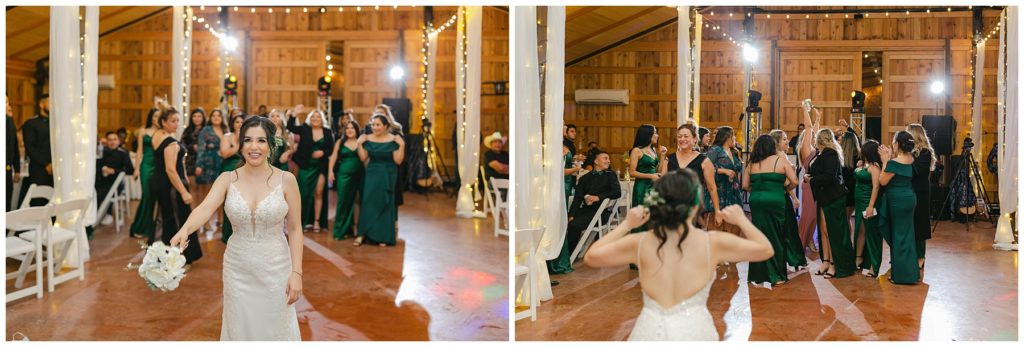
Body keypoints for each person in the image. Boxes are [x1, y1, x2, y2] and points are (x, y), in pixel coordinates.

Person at [584, 169, 773, 341]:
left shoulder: (641, 242)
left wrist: (627, 224)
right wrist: (741, 220)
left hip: (650, 332)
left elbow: (592, 256)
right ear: (695, 205)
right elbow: (765, 249)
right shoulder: (712, 242)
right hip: (696, 332)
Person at [170, 116, 303, 340]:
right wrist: (185, 229)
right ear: (240, 145)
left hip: (276, 267)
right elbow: (204, 209)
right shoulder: (227, 179)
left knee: (275, 326)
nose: (254, 147)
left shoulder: (287, 180)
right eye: (248, 140)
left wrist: (296, 273)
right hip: (237, 268)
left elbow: (296, 228)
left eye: (261, 141)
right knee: (239, 326)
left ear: (271, 144)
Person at [743, 135, 799, 286]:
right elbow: (794, 181)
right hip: (775, 199)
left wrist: (758, 190)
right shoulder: (779, 160)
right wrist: (783, 189)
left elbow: (745, 186)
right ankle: (777, 276)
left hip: (756, 201)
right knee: (776, 236)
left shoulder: (751, 163)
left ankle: (757, 275)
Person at [150, 106, 202, 263]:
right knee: (181, 221)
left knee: (167, 219)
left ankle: (164, 255)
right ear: (163, 122)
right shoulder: (171, 143)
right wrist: (184, 192)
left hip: (160, 183)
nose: (176, 124)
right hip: (172, 186)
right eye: (173, 121)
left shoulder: (156, 136)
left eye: (178, 120)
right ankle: (183, 258)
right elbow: (171, 170)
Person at [805, 127, 855, 279]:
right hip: (823, 197)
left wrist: (811, 180)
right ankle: (826, 261)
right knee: (824, 231)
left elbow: (830, 177)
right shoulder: (821, 154)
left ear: (821, 140)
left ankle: (835, 264)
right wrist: (809, 176)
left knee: (833, 231)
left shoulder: (831, 154)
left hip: (833, 197)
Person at [354, 113, 404, 247]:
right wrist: (359, 144)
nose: (375, 127)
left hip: (388, 174)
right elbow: (363, 158)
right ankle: (362, 234)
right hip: (372, 174)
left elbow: (398, 161)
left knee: (386, 203)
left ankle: (383, 236)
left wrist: (402, 145)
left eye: (378, 125)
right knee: (368, 201)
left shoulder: (394, 139)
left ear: (386, 126)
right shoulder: (367, 139)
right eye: (373, 125)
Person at [564, 151, 621, 264]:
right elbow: (577, 199)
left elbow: (617, 193)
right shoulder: (584, 178)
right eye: (605, 158)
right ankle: (567, 253)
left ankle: (570, 256)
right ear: (596, 161)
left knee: (574, 225)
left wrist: (599, 197)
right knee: (565, 223)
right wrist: (571, 215)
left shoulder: (611, 175)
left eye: (608, 158)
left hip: (601, 213)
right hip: (587, 211)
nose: (608, 161)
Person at [878, 131, 920, 284]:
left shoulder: (894, 163)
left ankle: (902, 276)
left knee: (898, 235)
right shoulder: (910, 158)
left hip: (898, 201)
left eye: (893, 142)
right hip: (909, 198)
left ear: (898, 144)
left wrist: (885, 161)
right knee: (907, 235)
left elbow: (882, 182)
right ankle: (908, 273)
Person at [287, 107, 334, 232]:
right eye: (313, 116)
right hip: (305, 166)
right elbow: (290, 127)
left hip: (320, 167)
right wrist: (293, 115)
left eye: (318, 116)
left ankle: (317, 222)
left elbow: (331, 148)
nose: (315, 119)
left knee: (318, 193)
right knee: (303, 194)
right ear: (310, 119)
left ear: (322, 119)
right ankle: (302, 222)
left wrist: (323, 152)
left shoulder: (327, 131)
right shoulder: (304, 129)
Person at [667, 124, 720, 227]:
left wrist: (717, 211)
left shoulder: (704, 161)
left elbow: (712, 188)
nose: (682, 139)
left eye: (686, 136)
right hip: (671, 208)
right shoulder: (670, 159)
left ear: (695, 139)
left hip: (693, 208)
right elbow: (662, 185)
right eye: (679, 136)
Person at [768, 129, 807, 271]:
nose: (788, 141)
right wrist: (794, 197)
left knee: (788, 229)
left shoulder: (781, 155)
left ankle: (791, 259)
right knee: (789, 229)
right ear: (777, 142)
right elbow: (785, 182)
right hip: (782, 197)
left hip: (781, 195)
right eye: (784, 139)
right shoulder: (779, 156)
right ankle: (794, 259)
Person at [906, 123, 935, 280]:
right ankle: (909, 255)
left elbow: (914, 171)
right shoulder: (909, 152)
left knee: (920, 224)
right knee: (909, 224)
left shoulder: (925, 153)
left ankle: (920, 257)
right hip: (908, 191)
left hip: (920, 192)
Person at [327, 120, 363, 240]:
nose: (350, 130)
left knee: (357, 201)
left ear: (356, 130)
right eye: (347, 128)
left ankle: (354, 228)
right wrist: (330, 171)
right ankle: (340, 230)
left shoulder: (360, 142)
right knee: (343, 201)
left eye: (352, 128)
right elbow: (333, 157)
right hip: (343, 176)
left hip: (359, 175)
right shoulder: (340, 142)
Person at [129, 107, 161, 239]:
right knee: (147, 196)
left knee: (156, 198)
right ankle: (139, 227)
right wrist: (136, 169)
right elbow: (139, 151)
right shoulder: (143, 131)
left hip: (159, 166)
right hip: (146, 166)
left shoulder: (163, 131)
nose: (156, 119)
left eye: (159, 116)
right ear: (150, 117)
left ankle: (152, 226)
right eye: (154, 116)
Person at [628, 124, 668, 229]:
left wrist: (662, 156)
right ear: (648, 135)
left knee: (653, 215)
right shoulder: (636, 150)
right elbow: (632, 172)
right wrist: (651, 176)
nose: (657, 135)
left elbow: (657, 171)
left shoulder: (653, 150)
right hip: (642, 187)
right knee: (641, 215)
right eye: (655, 133)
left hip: (653, 186)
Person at [854, 140, 884, 277]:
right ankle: (859, 257)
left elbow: (876, 187)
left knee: (872, 234)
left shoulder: (875, 167)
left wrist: (871, 206)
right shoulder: (864, 165)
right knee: (861, 230)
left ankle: (873, 265)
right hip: (860, 203)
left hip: (869, 203)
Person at [196, 109, 227, 234]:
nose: (216, 117)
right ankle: (206, 221)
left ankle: (221, 219)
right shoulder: (206, 130)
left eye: (218, 115)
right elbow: (201, 147)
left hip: (222, 164)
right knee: (207, 195)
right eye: (213, 115)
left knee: (222, 194)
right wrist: (199, 164)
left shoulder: (226, 130)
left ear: (222, 117)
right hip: (208, 164)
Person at [796, 104, 822, 251]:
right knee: (809, 215)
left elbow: (815, 130)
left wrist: (818, 117)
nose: (813, 136)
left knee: (815, 216)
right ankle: (801, 241)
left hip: (815, 184)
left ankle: (810, 240)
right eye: (811, 135)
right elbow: (809, 127)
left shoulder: (814, 147)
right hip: (809, 185)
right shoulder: (806, 148)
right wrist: (805, 110)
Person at [95, 131, 135, 226]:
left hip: (116, 184)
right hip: (102, 181)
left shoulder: (123, 153)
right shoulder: (102, 151)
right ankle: (94, 214)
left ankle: (105, 214)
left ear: (118, 141)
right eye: (109, 140)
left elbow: (130, 170)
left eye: (114, 139)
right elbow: (97, 165)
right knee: (93, 191)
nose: (112, 142)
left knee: (101, 193)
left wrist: (114, 171)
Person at [706, 126, 742, 230]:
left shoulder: (734, 152)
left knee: (734, 228)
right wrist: (723, 171)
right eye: (733, 135)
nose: (734, 138)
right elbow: (707, 169)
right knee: (717, 228)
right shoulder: (715, 150)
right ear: (727, 137)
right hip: (719, 191)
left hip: (733, 192)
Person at [20, 94, 52, 207]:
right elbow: (30, 148)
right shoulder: (31, 124)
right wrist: (46, 164)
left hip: (54, 170)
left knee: (52, 204)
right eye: (50, 102)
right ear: (41, 104)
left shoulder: (56, 124)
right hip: (39, 169)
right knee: (38, 202)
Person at [219, 114, 246, 242]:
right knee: (229, 203)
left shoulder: (249, 137)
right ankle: (227, 234)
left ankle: (241, 233)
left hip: (244, 172)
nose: (239, 124)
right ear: (233, 124)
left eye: (242, 122)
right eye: (237, 122)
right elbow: (224, 154)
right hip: (229, 171)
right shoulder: (227, 137)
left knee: (242, 203)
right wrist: (238, 145)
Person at [182, 108, 206, 206]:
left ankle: (201, 213)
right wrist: (192, 146)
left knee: (202, 188)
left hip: (204, 161)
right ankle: (193, 211)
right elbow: (182, 144)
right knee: (192, 186)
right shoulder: (188, 130)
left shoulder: (207, 130)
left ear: (203, 117)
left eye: (199, 116)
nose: (197, 118)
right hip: (191, 161)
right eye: (194, 116)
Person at [840, 131, 862, 223]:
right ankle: (849, 237)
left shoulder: (839, 156)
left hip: (843, 190)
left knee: (845, 219)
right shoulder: (860, 155)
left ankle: (846, 237)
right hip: (855, 189)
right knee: (848, 218)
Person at [562, 124, 584, 207]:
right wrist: (577, 165)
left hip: (570, 175)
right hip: (565, 176)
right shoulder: (564, 144)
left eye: (575, 132)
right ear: (566, 133)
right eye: (571, 131)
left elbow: (570, 159)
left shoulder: (571, 145)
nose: (574, 133)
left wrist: (577, 158)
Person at [6, 96, 21, 211]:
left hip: (7, 170)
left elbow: (14, 146)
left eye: (8, 102)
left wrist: (17, 169)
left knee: (7, 203)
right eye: (5, 102)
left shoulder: (10, 122)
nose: (8, 105)